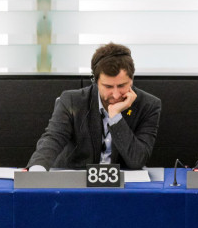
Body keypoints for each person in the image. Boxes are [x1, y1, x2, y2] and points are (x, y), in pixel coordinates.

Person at [27, 43, 161, 171]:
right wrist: (37, 169)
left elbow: (137, 160)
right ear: (95, 81)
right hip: (76, 181)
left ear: (132, 80)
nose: (115, 95)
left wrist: (115, 117)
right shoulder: (71, 101)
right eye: (108, 86)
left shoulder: (148, 105)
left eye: (121, 86)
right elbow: (52, 139)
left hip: (122, 186)